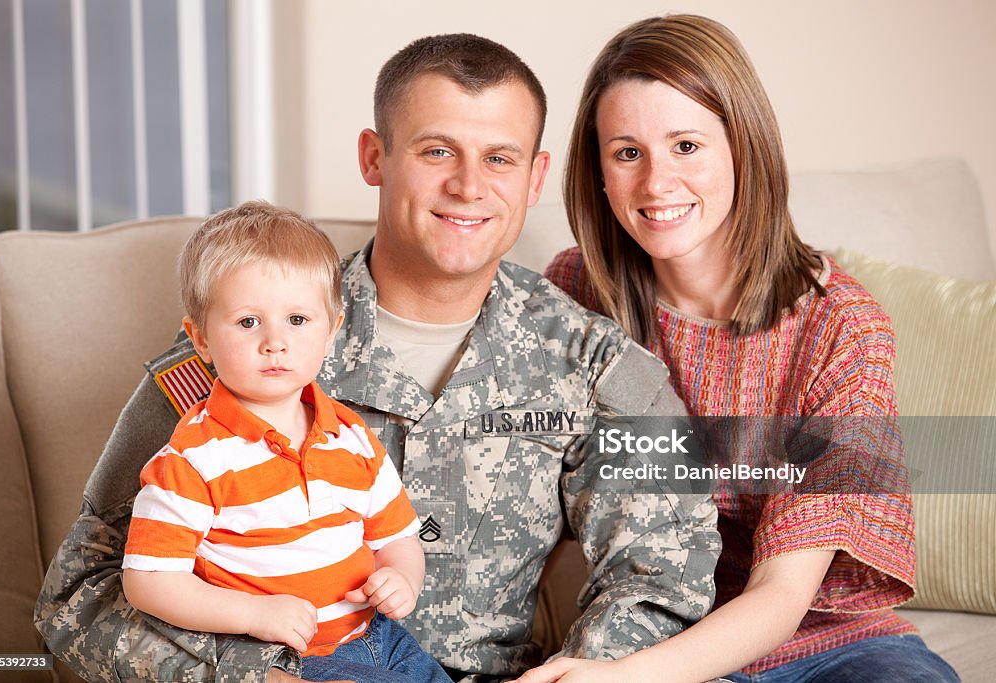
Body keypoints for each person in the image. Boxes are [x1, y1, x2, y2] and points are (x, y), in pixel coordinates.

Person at [35, 33, 721, 683]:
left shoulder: (595, 365)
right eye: (437, 152)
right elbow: (76, 597)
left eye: (500, 158)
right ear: (374, 156)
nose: (470, 186)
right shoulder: (241, 346)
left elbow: (664, 576)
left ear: (535, 176)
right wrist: (259, 674)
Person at [535, 14, 959, 683]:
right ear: (600, 172)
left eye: (685, 145)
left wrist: (625, 678)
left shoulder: (842, 328)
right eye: (627, 152)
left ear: (743, 147)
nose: (655, 182)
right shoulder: (573, 293)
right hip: (652, 628)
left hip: (835, 644)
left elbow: (783, 597)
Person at [120, 201, 450, 683]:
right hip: (282, 661)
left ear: (331, 331)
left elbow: (397, 537)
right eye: (249, 322)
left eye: (297, 320)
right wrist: (252, 615)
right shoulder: (193, 459)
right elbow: (148, 581)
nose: (275, 341)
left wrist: (403, 579)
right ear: (201, 339)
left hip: (381, 641)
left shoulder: (351, 437)